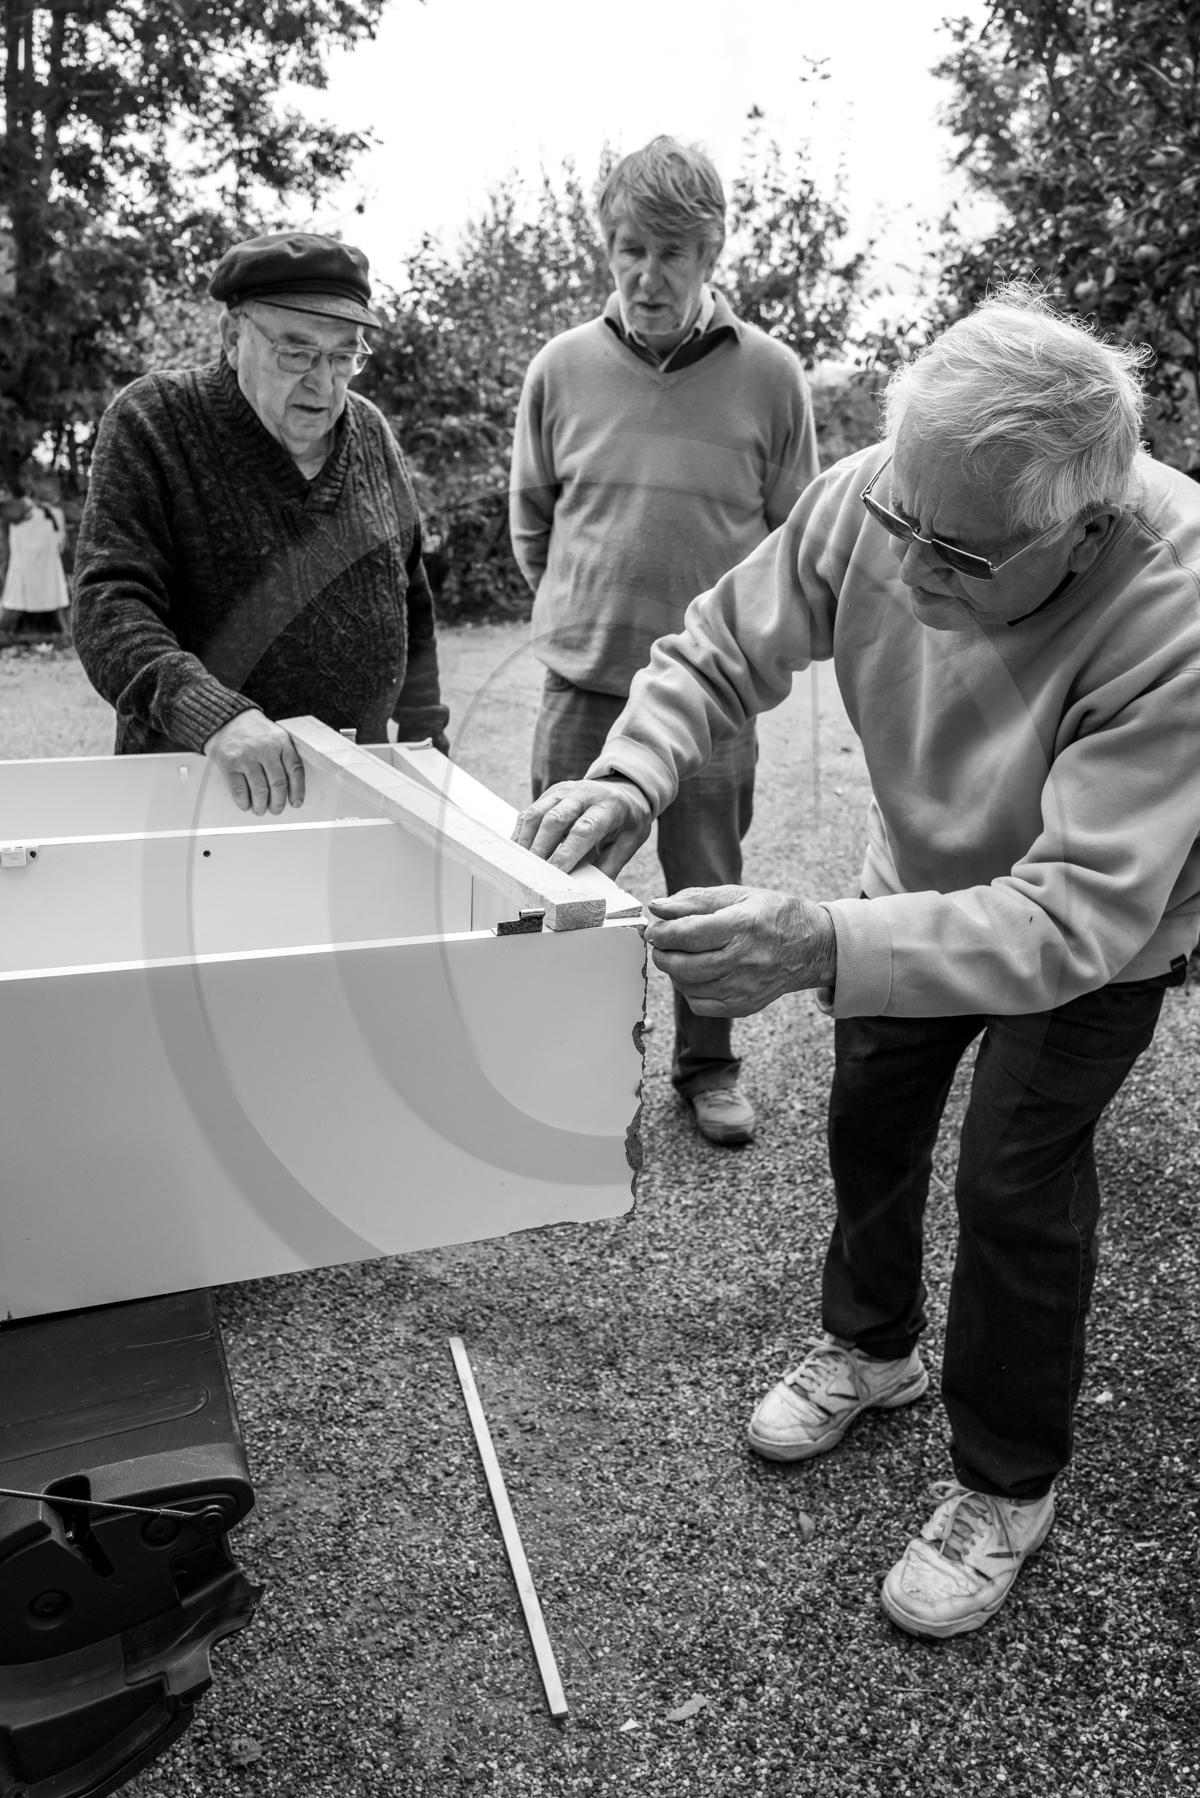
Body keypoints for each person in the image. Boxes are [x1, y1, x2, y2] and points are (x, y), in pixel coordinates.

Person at [514, 286, 1200, 1639]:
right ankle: (872, 1351)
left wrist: (817, 941)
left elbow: (1070, 916)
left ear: (1086, 526)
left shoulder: (1175, 605)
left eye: (964, 551)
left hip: (1099, 932)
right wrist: (633, 772)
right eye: (908, 523)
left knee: (1014, 1174)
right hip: (916, 882)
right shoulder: (877, 498)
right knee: (870, 1114)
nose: (918, 566)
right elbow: (717, 645)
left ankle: (1007, 1481)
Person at [510, 137, 819, 1147]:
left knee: (705, 893)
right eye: (628, 248)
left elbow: (796, 544)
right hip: (583, 688)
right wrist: (584, 618)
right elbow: (533, 523)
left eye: (670, 254)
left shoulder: (772, 378)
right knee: (559, 887)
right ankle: (557, 1068)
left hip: (712, 704)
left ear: (710, 253)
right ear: (607, 246)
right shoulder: (559, 369)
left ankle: (708, 1067)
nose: (646, 273)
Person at [74, 232, 447, 812]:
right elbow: (109, 604)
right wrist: (213, 716)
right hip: (195, 791)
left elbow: (411, 601)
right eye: (296, 353)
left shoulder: (371, 431)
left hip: (357, 789)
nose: (324, 384)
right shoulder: (154, 420)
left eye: (343, 356)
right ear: (232, 336)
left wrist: (429, 739)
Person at [0, 485, 70, 641]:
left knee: (54, 595)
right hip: (27, 565)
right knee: (15, 600)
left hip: (45, 564)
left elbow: (60, 541)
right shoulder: (23, 509)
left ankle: (62, 633)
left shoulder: (52, 513)